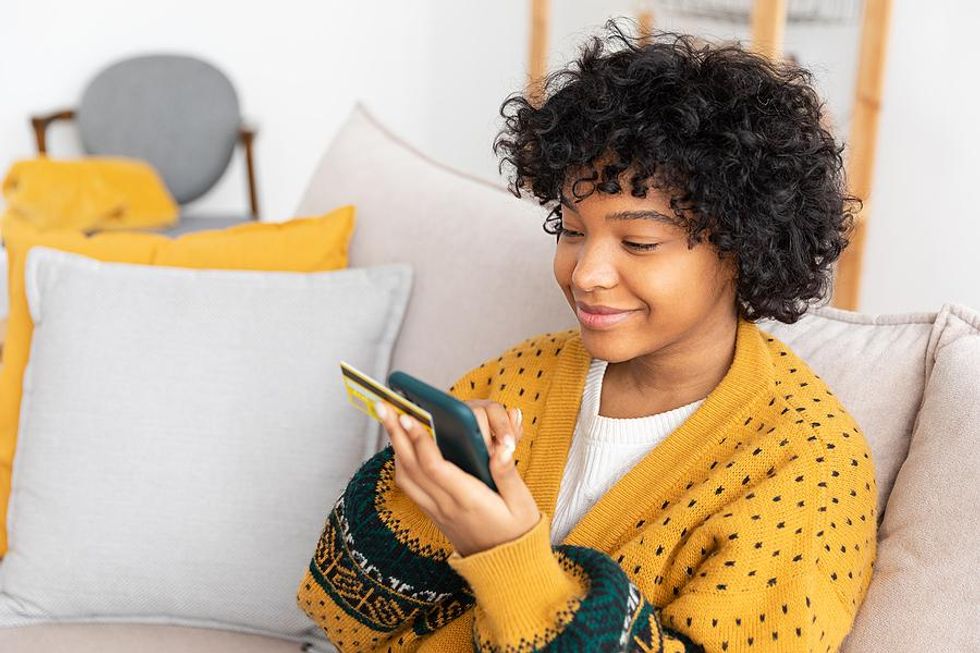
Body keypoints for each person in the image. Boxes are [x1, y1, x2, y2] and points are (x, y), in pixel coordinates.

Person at [297, 18, 876, 652]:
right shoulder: (521, 377)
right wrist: (422, 488)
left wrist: (504, 553)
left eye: (639, 242)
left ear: (744, 247)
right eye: (572, 230)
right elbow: (344, 616)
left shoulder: (808, 466)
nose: (587, 274)